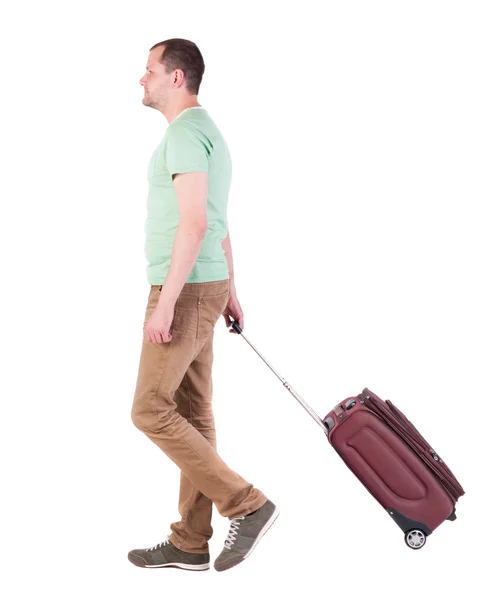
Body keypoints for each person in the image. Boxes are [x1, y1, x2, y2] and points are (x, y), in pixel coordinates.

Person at [128, 38, 279, 573]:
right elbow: (218, 221)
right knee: (192, 410)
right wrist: (231, 290)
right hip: (205, 284)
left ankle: (247, 503)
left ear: (175, 77)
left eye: (148, 70)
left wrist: (164, 305)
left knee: (149, 408)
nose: (139, 79)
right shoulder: (206, 131)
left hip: (185, 289)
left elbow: (196, 224)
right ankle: (190, 541)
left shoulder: (186, 136)